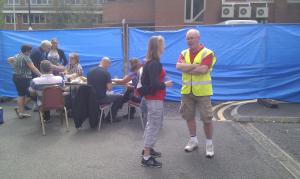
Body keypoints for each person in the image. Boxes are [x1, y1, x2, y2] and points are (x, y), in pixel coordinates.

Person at [176, 29, 216, 158]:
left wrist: (186, 67)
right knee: (189, 117)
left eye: (192, 38)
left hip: (203, 93)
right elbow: (178, 66)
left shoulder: (207, 53)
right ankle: (193, 141)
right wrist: (195, 66)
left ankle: (209, 144)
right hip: (187, 92)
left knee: (207, 119)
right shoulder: (183, 52)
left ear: (198, 38)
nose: (190, 41)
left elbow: (204, 70)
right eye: (188, 38)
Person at [140, 36, 173, 168]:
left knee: (151, 124)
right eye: (162, 44)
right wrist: (166, 84)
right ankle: (146, 157)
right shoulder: (155, 63)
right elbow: (154, 84)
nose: (164, 46)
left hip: (152, 99)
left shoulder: (150, 62)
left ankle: (148, 149)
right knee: (154, 126)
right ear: (158, 46)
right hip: (155, 99)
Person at [7, 45, 41, 119]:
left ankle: (21, 112)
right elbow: (33, 68)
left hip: (15, 77)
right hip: (24, 79)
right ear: (27, 51)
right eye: (30, 50)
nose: (31, 52)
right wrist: (41, 75)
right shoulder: (26, 57)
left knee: (21, 95)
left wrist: (13, 65)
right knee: (32, 94)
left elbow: (9, 60)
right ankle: (41, 110)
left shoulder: (17, 55)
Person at [87, 57, 123, 122]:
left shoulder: (90, 71)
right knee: (120, 97)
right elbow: (110, 89)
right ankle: (110, 118)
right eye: (109, 65)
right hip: (101, 98)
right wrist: (111, 83)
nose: (109, 67)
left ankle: (101, 115)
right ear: (107, 64)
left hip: (90, 98)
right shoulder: (106, 73)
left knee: (101, 94)